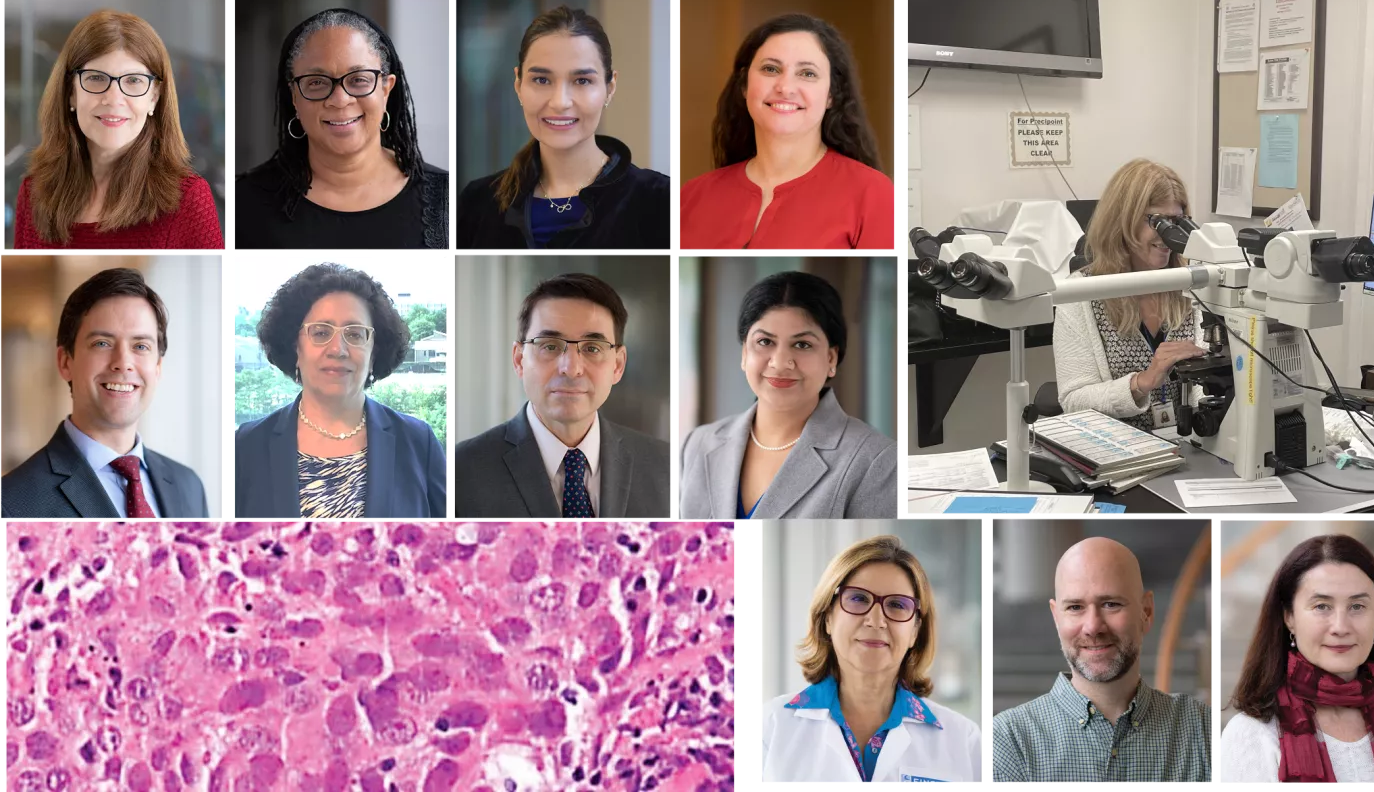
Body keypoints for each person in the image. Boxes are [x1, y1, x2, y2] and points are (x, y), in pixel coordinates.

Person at [760, 535, 982, 783]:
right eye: (858, 599)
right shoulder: (769, 727)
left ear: (915, 631)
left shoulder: (965, 741)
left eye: (897, 604)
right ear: (828, 618)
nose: (876, 620)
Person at [1220, 534, 1374, 783]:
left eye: (1357, 606)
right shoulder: (1252, 735)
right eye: (1322, 606)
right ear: (1289, 616)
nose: (1340, 626)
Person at [233, 263, 446, 518]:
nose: (338, 349)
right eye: (321, 332)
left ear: (374, 352)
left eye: (355, 335)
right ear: (295, 348)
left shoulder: (419, 443)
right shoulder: (245, 446)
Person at [992, 537, 1212, 782]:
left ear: (1146, 612)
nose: (1093, 627)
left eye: (1110, 604)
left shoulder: (1201, 729)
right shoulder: (1009, 740)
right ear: (1056, 618)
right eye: (1075, 607)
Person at [679, 271, 895, 519]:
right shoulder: (696, 444)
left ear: (831, 358)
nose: (780, 363)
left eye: (802, 345)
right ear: (744, 354)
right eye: (765, 342)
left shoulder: (876, 461)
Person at [454, 5, 671, 251]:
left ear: (610, 88)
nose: (560, 102)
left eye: (582, 81)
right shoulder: (478, 201)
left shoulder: (659, 201)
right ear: (518, 84)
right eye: (542, 80)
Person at [454, 273, 670, 518]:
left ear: (618, 365)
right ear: (519, 360)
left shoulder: (666, 467)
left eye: (592, 348)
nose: (571, 368)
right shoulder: (461, 471)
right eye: (550, 346)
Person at [231, 9, 449, 250]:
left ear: (386, 89)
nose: (340, 99)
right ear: (294, 96)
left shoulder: (448, 201)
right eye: (316, 82)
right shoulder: (244, 203)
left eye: (358, 79)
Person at [0, 268, 207, 519]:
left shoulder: (189, 486)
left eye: (140, 346)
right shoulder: (12, 503)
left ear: (157, 368)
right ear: (66, 362)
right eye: (102, 343)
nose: (123, 362)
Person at [678, 13, 893, 250]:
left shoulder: (874, 195)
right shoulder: (692, 195)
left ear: (831, 95)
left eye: (807, 73)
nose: (785, 87)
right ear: (744, 85)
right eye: (770, 69)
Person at [13, 10, 223, 250]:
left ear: (154, 97)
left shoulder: (189, 199)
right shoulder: (33, 192)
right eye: (96, 78)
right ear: (70, 92)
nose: (114, 99)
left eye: (133, 81)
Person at [1053, 159, 1208, 430]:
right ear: (1122, 221)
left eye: (1178, 221)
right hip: (1117, 450)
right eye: (1158, 222)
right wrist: (1142, 382)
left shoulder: (1194, 285)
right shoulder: (1082, 294)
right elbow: (1073, 400)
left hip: (1189, 445)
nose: (1169, 235)